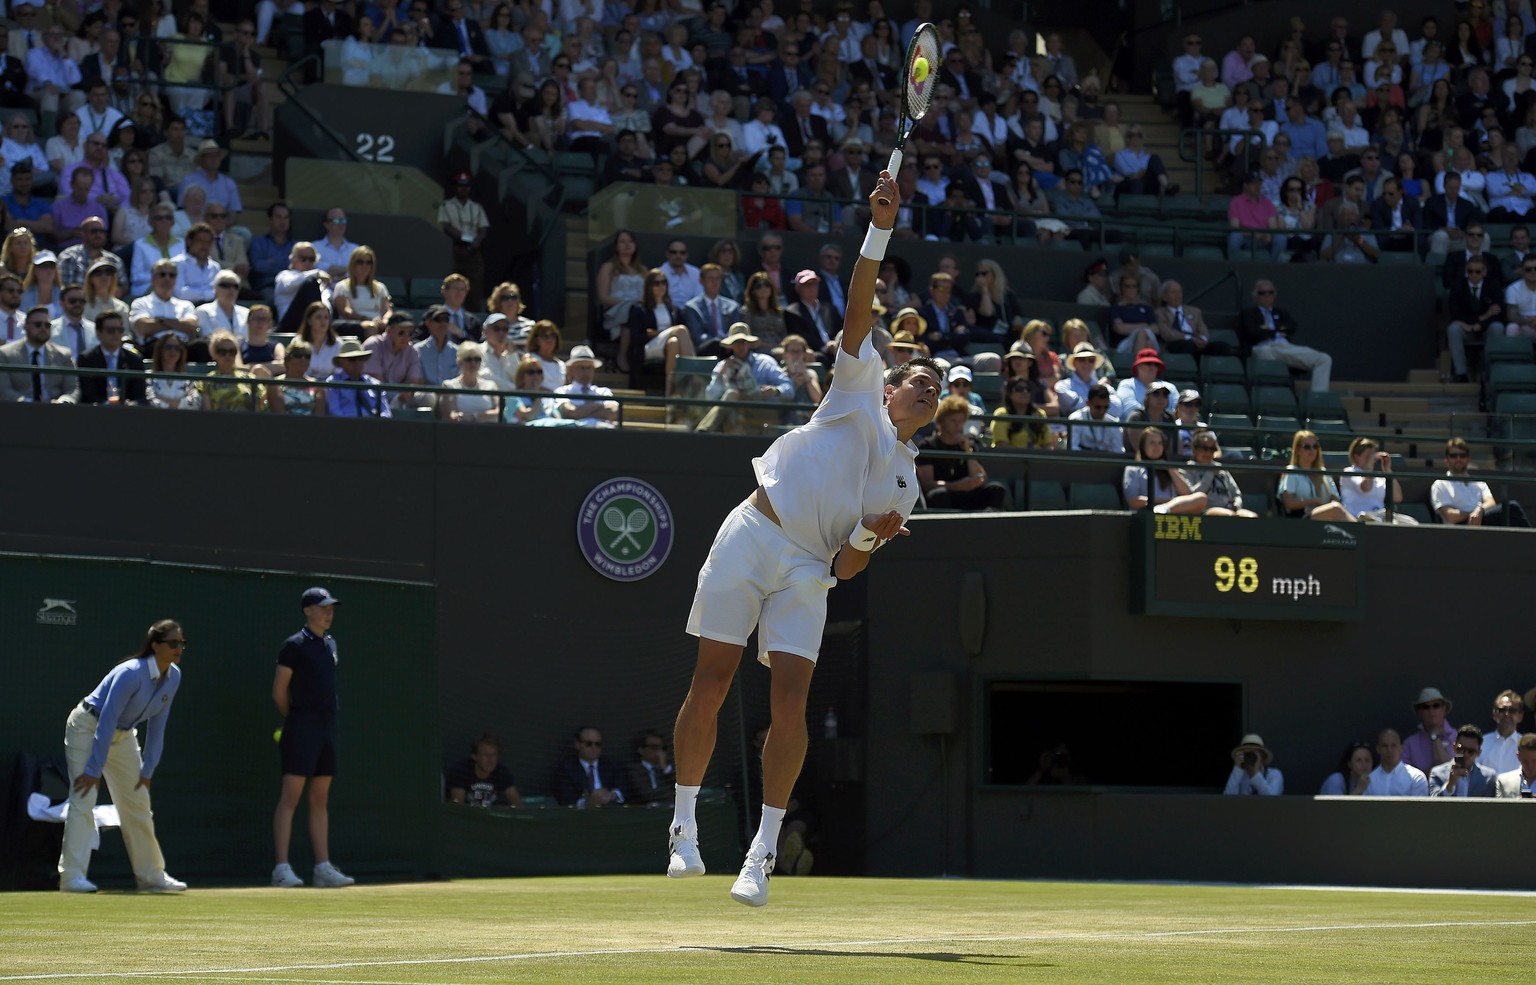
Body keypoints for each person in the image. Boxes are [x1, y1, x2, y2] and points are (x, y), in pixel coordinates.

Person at [668, 172, 940, 908]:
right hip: (753, 529)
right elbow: (859, 301)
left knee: (789, 704)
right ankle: (684, 825)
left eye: (935, 388)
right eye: (916, 377)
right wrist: (879, 227)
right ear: (888, 386)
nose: (925, 386)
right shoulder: (857, 380)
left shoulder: (905, 484)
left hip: (808, 571)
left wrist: (865, 534)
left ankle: (760, 853)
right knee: (713, 681)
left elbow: (850, 567)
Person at [58, 618, 188, 893]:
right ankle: (72, 877)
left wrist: (148, 770)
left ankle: (152, 877)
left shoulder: (173, 676)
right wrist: (93, 770)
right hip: (87, 726)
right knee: (83, 798)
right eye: (173, 643)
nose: (179, 648)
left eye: (182, 643)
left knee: (138, 803)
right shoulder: (131, 673)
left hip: (124, 736)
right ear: (155, 646)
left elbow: (158, 725)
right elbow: (107, 719)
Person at [271, 586, 356, 890]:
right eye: (322, 608)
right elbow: (279, 692)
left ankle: (322, 867)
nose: (328, 613)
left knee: (320, 799)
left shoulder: (331, 645)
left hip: (326, 729)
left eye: (331, 608)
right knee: (291, 797)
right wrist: (295, 719)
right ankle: (281, 868)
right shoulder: (293, 645)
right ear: (308, 611)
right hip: (300, 727)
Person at [917, 395, 1010, 510]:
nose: (958, 425)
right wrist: (957, 486)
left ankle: (987, 525)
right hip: (946, 495)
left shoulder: (968, 443)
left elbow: (981, 478)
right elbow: (928, 484)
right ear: (942, 421)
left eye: (961, 421)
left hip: (968, 495)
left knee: (996, 489)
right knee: (939, 495)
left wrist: (967, 452)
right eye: (953, 420)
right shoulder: (927, 445)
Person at [1240, 280, 1332, 392]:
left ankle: (1319, 397)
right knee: (1265, 352)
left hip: (1283, 347)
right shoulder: (1249, 313)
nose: (1267, 295)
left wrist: (1268, 330)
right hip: (1262, 347)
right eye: (1262, 293)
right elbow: (1252, 333)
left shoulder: (1282, 312)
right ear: (1255, 296)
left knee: (1324, 359)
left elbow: (1291, 326)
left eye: (1270, 292)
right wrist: (1277, 331)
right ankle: (1273, 394)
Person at [1431, 436, 1530, 525]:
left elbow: (1491, 502)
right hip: (1461, 527)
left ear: (1469, 459)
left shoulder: (1479, 483)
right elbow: (1450, 516)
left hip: (1483, 521)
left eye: (1462, 455)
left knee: (1510, 514)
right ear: (1446, 461)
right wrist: (1473, 513)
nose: (1458, 459)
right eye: (1453, 456)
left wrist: (1480, 510)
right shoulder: (1440, 484)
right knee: (1512, 507)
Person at [77, 311, 145, 405]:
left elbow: (140, 395)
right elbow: (88, 394)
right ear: (98, 333)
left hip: (127, 413)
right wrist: (106, 404)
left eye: (120, 330)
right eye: (110, 330)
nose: (116, 334)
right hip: (97, 412)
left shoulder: (134, 360)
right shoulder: (87, 359)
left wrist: (130, 404)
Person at [446, 733, 523, 807]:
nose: (491, 760)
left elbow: (518, 806)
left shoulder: (501, 772)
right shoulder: (461, 770)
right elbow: (457, 808)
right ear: (474, 756)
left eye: (494, 755)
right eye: (486, 755)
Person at [555, 726, 625, 808]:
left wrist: (613, 795)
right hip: (581, 816)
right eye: (589, 744)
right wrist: (588, 802)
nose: (594, 748)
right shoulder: (566, 769)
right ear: (577, 744)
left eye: (598, 744)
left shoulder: (611, 766)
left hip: (611, 812)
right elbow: (566, 800)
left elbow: (624, 789)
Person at [1428, 724, 1498, 797]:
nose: (1465, 754)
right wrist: (1449, 785)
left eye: (1471, 751)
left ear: (1478, 753)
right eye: (1461, 749)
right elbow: (1434, 805)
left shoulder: (1488, 778)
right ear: (1454, 747)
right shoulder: (1437, 773)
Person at [1402, 686, 1456, 774]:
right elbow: (1406, 778)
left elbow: (1453, 772)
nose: (1431, 711)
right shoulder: (1409, 744)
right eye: (1426, 707)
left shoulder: (1458, 737)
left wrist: (1435, 738)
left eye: (1436, 706)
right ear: (1419, 712)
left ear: (1444, 709)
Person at [1364, 728, 1428, 796]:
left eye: (1393, 746)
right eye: (1385, 746)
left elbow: (1420, 806)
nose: (1389, 750)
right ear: (1378, 749)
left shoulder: (1416, 777)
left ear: (1401, 748)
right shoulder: (1369, 780)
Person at [625, 730, 676, 807]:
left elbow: (679, 788)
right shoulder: (633, 770)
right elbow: (645, 794)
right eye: (654, 747)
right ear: (641, 750)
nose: (659, 752)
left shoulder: (667, 770)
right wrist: (673, 794)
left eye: (662, 748)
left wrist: (665, 768)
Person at [1480, 690, 1527, 775]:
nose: (1506, 714)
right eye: (1502, 710)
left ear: (1520, 716)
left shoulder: (1526, 746)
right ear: (1494, 714)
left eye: (1512, 711)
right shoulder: (1481, 743)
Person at [1492, 733, 1536, 798]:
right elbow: (1499, 807)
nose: (1530, 765)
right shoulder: (1503, 781)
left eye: (1534, 761)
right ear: (1518, 756)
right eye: (1525, 761)